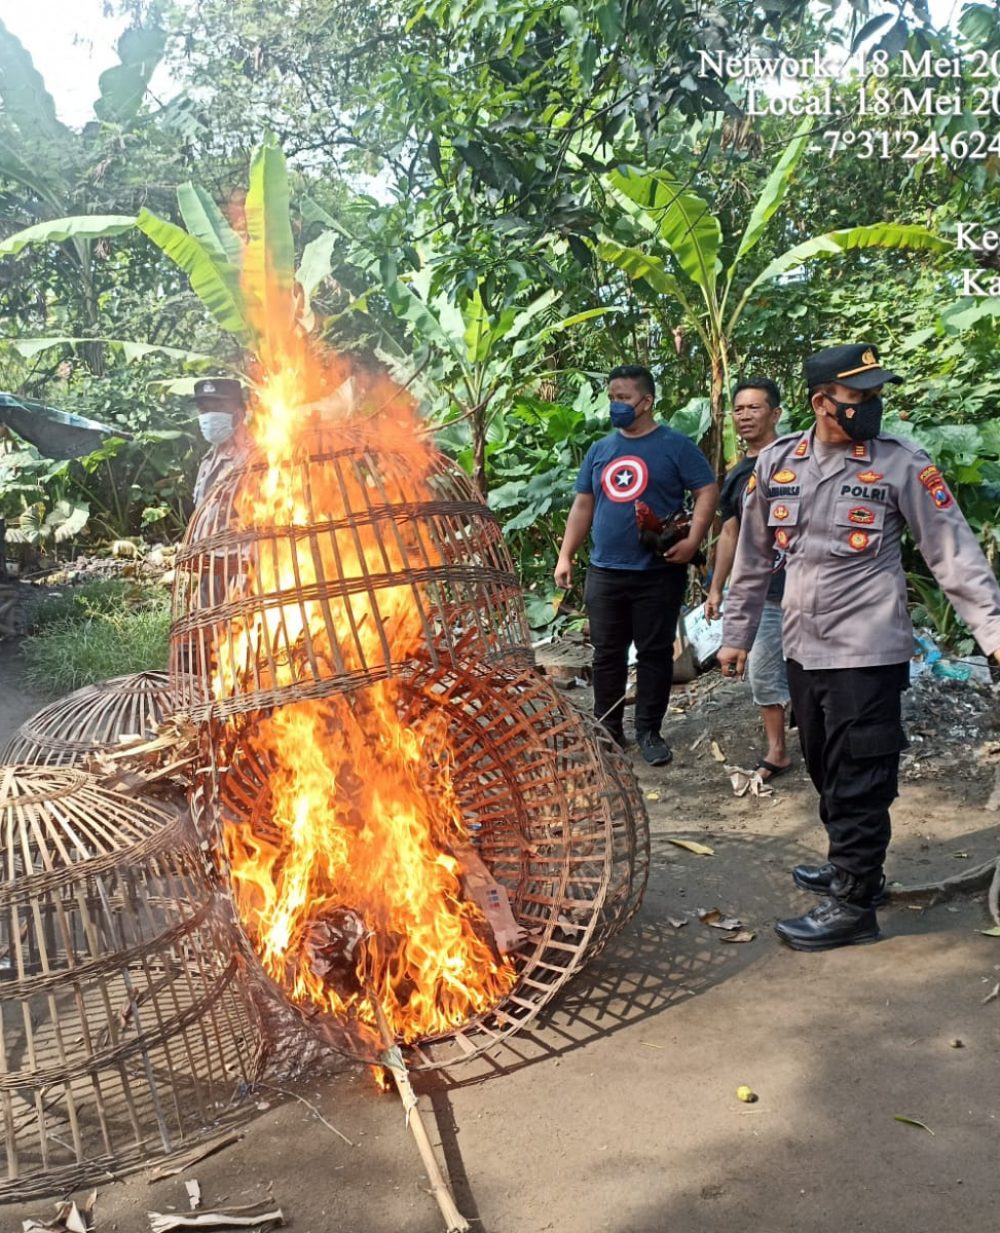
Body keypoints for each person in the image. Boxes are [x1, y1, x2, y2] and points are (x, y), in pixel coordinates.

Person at [719, 343, 1000, 951]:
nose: (872, 406)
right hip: (802, 646)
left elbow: (952, 554)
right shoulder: (776, 465)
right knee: (823, 764)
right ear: (823, 403)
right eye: (859, 397)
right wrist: (736, 634)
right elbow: (753, 560)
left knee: (860, 775)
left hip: (867, 651)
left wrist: (994, 636)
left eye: (874, 395)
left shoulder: (903, 464)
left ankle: (854, 901)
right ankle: (854, 862)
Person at [555, 364, 718, 766]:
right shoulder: (601, 449)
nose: (616, 405)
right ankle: (608, 731)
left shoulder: (675, 445)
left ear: (646, 402)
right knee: (607, 654)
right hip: (605, 571)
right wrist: (565, 554)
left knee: (655, 653)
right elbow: (584, 504)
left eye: (624, 398)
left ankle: (649, 731)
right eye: (612, 397)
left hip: (657, 574)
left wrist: (694, 539)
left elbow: (707, 489)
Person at [706, 378, 790, 781]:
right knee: (764, 671)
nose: (744, 415)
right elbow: (729, 533)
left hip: (811, 589)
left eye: (754, 408)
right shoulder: (740, 475)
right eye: (738, 409)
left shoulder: (799, 461)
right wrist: (717, 587)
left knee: (813, 671)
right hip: (765, 591)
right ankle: (778, 750)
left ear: (775, 414)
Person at [193, 378, 250, 506]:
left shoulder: (255, 457)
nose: (210, 416)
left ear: (239, 414)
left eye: (219, 408)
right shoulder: (207, 462)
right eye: (204, 410)